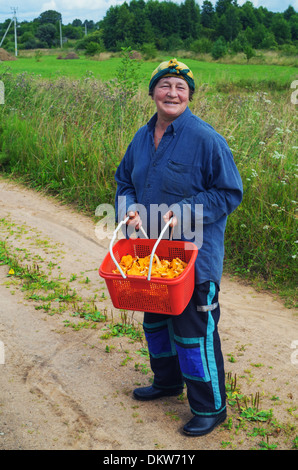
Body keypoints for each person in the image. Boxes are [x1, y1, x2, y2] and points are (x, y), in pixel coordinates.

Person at [114, 59, 243, 436]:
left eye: (180, 87)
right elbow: (124, 181)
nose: (172, 93)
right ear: (153, 92)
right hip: (149, 256)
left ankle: (210, 407)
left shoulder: (206, 139)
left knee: (193, 332)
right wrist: (129, 209)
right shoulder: (141, 137)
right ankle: (167, 382)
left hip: (193, 260)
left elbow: (229, 193)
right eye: (165, 85)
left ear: (189, 95)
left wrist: (184, 211)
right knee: (155, 324)